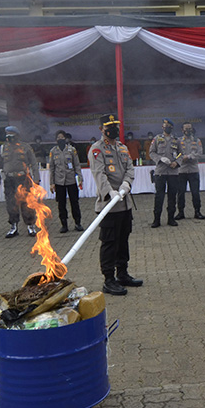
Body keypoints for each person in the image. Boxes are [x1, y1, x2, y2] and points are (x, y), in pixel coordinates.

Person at [88, 114, 142, 296]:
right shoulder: (97, 150)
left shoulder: (122, 147)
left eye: (116, 126)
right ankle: (109, 279)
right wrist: (110, 192)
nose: (114, 130)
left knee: (123, 240)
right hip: (108, 205)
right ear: (101, 129)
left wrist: (126, 184)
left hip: (124, 204)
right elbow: (99, 174)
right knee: (109, 243)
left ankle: (123, 273)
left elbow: (129, 168)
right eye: (109, 127)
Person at [0, 126, 40, 238]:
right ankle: (13, 227)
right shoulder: (3, 148)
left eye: (11, 134)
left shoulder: (25, 147)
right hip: (9, 179)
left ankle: (30, 226)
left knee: (27, 202)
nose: (9, 136)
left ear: (17, 135)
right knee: (11, 203)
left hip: (23, 178)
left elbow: (33, 163)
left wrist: (36, 178)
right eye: (7, 134)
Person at [49, 130, 84, 233]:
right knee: (61, 204)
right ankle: (64, 224)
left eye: (62, 137)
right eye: (58, 138)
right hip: (59, 182)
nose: (60, 139)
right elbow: (51, 168)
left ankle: (78, 223)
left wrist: (80, 179)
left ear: (65, 138)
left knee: (74, 202)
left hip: (71, 180)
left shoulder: (71, 150)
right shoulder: (53, 151)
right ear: (56, 139)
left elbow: (77, 165)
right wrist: (52, 183)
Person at [149, 118, 181, 227]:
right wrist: (160, 159)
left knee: (172, 196)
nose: (167, 127)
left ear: (171, 128)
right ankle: (156, 219)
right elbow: (151, 152)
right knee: (159, 197)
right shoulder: (157, 139)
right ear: (162, 127)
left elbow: (181, 154)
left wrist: (176, 163)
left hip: (173, 173)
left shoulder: (176, 140)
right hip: (160, 172)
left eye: (169, 126)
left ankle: (171, 219)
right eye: (165, 126)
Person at [175, 122, 205, 220]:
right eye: (185, 129)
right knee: (180, 193)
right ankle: (180, 212)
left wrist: (189, 157)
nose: (187, 130)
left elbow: (200, 153)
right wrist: (182, 158)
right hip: (181, 171)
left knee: (195, 192)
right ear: (182, 130)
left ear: (192, 129)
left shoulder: (197, 140)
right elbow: (175, 154)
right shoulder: (178, 141)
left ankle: (197, 211)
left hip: (193, 170)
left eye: (189, 128)